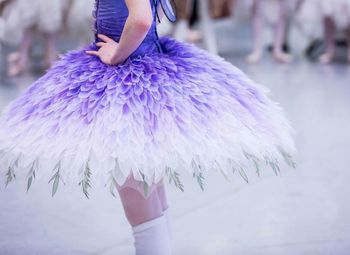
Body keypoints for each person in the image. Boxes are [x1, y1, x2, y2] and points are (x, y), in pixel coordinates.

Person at [0, 0, 295, 254]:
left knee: (136, 189)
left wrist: (116, 54)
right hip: (145, 68)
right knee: (147, 184)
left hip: (128, 76)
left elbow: (140, 19)